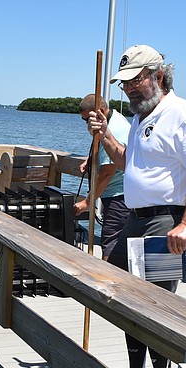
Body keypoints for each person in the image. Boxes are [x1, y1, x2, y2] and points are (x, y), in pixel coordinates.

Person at [87, 45, 186, 368]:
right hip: (135, 219)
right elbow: (127, 162)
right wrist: (105, 135)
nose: (128, 89)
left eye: (135, 81)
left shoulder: (182, 114)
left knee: (157, 307)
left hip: (165, 221)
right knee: (128, 300)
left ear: (158, 76)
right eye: (124, 84)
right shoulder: (141, 117)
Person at [74, 94, 130, 261]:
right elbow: (106, 156)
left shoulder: (114, 130)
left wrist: (87, 202)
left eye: (87, 119)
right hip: (120, 194)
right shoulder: (116, 118)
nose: (86, 123)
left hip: (118, 198)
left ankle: (106, 276)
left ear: (101, 111)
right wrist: (91, 159)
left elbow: (107, 173)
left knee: (111, 245)